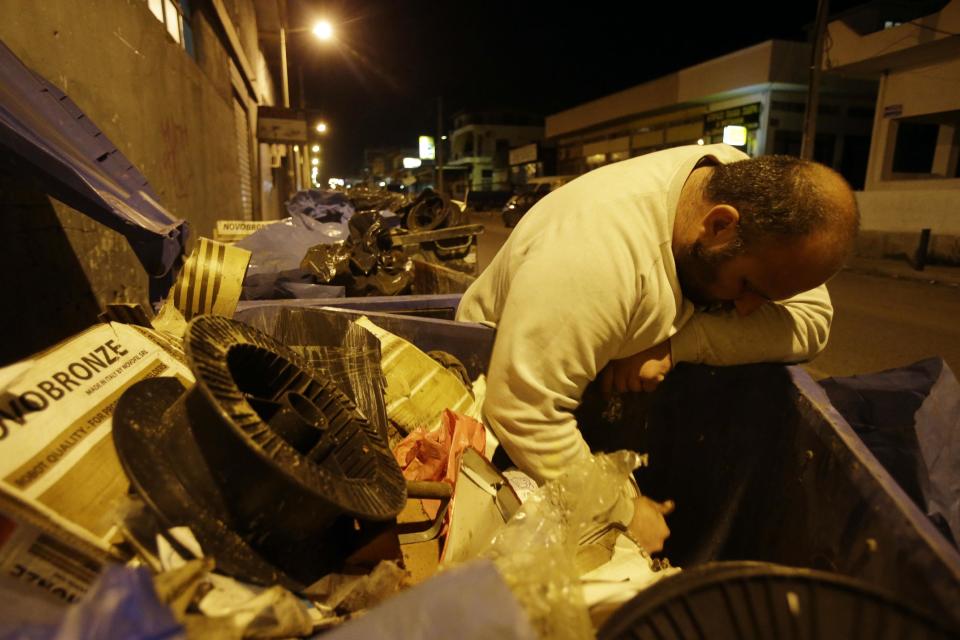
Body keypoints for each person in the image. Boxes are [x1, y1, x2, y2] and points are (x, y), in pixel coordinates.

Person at [455, 143, 860, 552]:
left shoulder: (748, 196)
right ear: (720, 226)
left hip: (578, 387)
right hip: (501, 407)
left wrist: (673, 344)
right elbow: (523, 410)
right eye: (747, 287)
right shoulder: (596, 256)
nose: (749, 311)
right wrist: (623, 510)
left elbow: (811, 321)